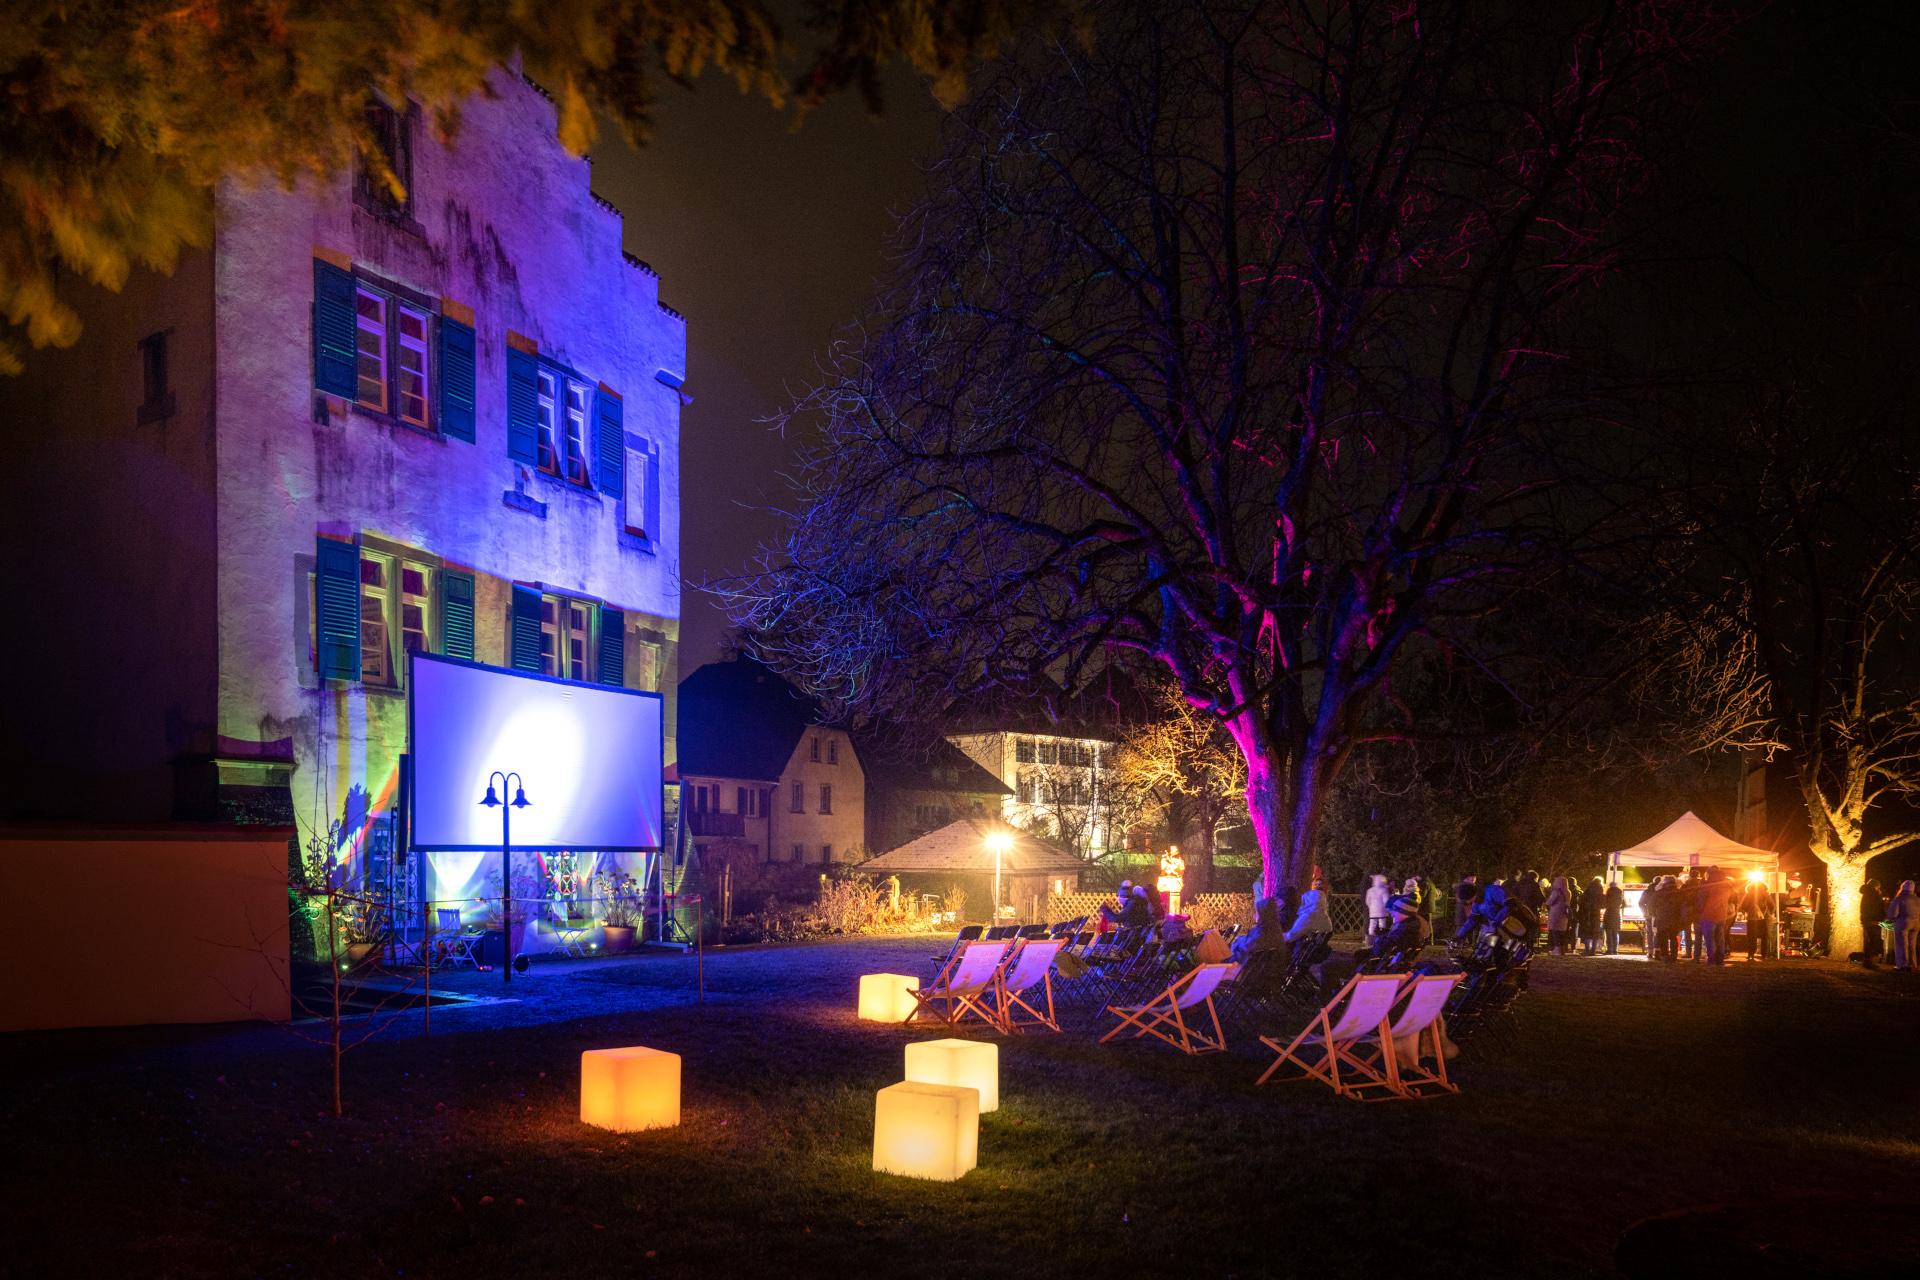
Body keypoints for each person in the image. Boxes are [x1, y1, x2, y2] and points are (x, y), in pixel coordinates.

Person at [1231, 895, 1286, 964]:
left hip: (1251, 967)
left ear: (1263, 914)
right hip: (1270, 968)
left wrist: (1237, 941)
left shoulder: (1261, 932)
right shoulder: (1276, 929)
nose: (1254, 915)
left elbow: (1247, 947)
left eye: (1257, 912)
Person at [1742, 877, 1775, 962]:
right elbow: (1772, 905)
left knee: (1751, 936)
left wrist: (1749, 910)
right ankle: (1764, 955)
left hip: (1752, 918)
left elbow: (1743, 906)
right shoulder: (1766, 893)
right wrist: (1769, 914)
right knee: (1764, 937)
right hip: (1764, 918)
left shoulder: (1749, 894)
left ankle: (1751, 954)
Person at [1888, 880, 1919, 971]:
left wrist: (1891, 919)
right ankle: (1913, 964)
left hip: (1903, 922)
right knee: (1912, 944)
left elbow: (1893, 913)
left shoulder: (1899, 898)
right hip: (1916, 923)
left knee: (1901, 944)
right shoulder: (1917, 899)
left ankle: (1902, 965)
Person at [1859, 878, 1886, 967]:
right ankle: (1870, 962)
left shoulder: (1866, 894)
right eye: (1878, 887)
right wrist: (1879, 918)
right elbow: (1877, 909)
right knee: (1873, 942)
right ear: (1875, 886)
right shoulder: (1873, 895)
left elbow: (1865, 909)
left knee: (1868, 941)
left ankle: (1867, 961)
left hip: (1866, 920)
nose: (1879, 889)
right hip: (1873, 920)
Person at [1544, 876, 1572, 955]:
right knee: (1561, 932)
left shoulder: (1556, 892)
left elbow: (1550, 902)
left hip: (1555, 914)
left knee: (1555, 931)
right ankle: (1562, 949)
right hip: (1563, 914)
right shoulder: (1568, 892)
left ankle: (1557, 950)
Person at [1579, 877, 1605, 956]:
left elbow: (1582, 901)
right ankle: (1593, 950)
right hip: (1595, 913)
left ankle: (1587, 949)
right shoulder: (1600, 890)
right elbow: (1603, 903)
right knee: (1595, 932)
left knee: (1587, 932)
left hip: (1587, 913)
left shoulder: (1588, 889)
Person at [1365, 873, 1392, 937]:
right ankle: (1381, 937)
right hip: (1382, 911)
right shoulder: (1384, 890)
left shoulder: (1370, 890)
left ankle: (1371, 938)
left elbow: (1367, 901)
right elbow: (1386, 901)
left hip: (1372, 911)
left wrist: (1370, 907)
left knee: (1372, 925)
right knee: (1382, 925)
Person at [1603, 879, 1625, 955]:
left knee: (1608, 932)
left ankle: (1610, 949)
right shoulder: (1620, 893)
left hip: (1609, 914)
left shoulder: (1608, 892)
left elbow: (1604, 903)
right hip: (1616, 914)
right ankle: (1615, 950)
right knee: (1615, 933)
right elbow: (1624, 904)